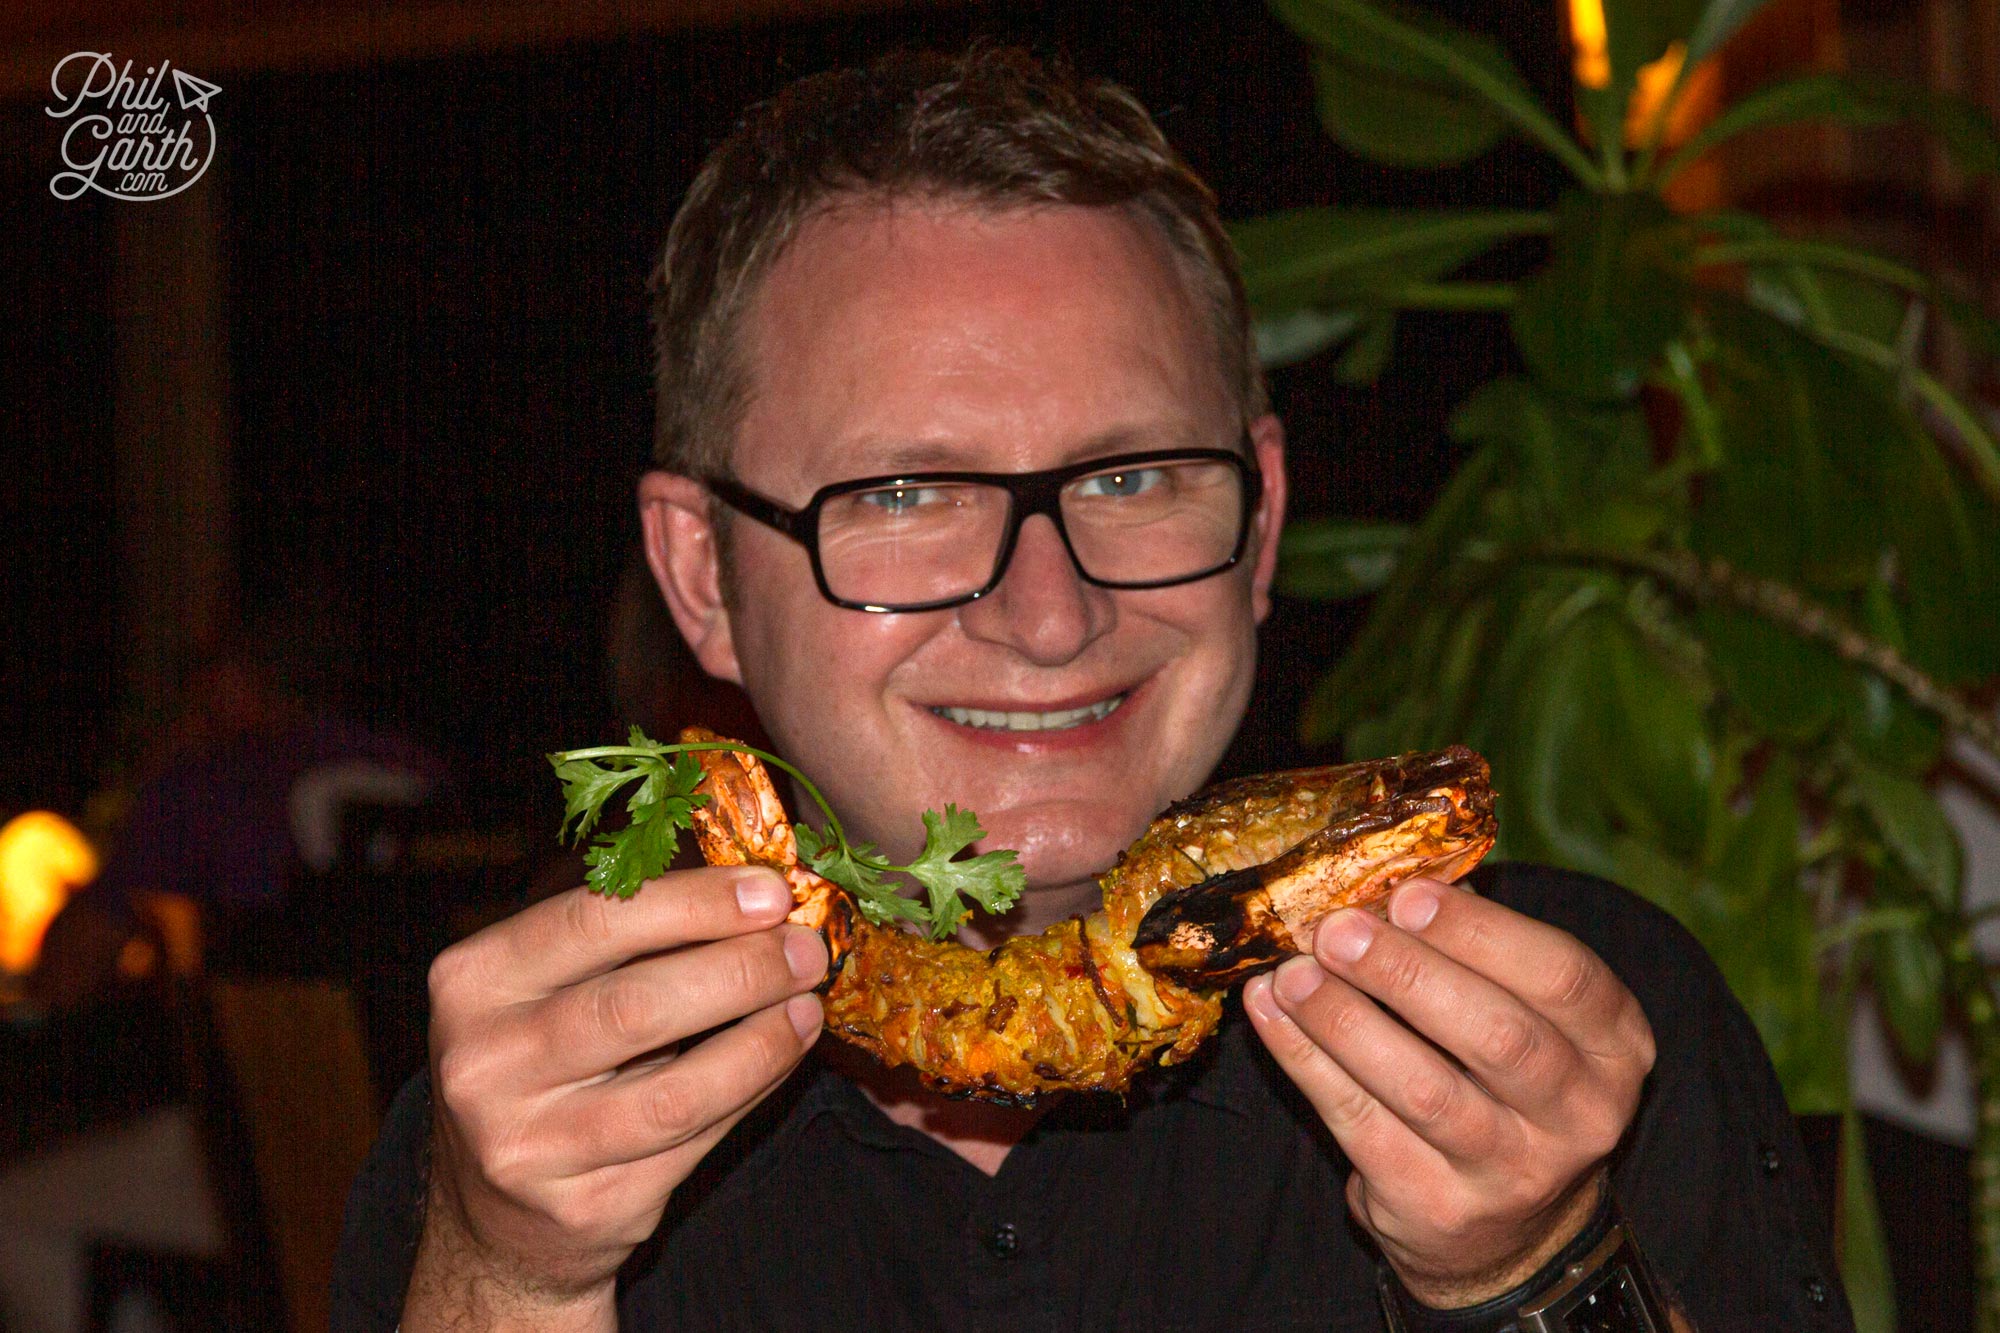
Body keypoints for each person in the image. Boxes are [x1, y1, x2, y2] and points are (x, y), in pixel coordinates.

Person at [333, 47, 1851, 1331]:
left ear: (1258, 513)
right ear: (703, 573)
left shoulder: (1580, 1040)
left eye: (1131, 474)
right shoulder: (519, 1139)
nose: (1049, 612)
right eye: (911, 490)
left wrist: (1539, 1270)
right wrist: (510, 1283)